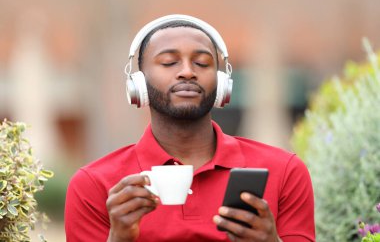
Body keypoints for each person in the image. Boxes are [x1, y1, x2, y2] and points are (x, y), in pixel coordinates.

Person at [65, 14, 315, 242]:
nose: (187, 72)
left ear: (222, 85)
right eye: (169, 62)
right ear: (138, 84)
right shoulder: (94, 185)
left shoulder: (285, 171)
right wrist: (118, 238)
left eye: (202, 63)